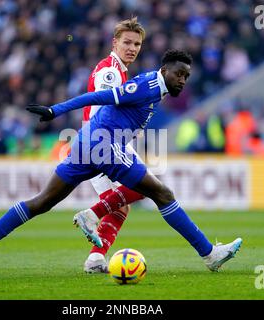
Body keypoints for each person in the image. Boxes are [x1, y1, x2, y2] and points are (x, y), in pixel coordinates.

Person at [0, 49, 242, 277]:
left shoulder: (155, 90)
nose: (182, 80)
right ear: (164, 70)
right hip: (105, 145)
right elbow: (101, 96)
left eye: (187, 76)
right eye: (179, 74)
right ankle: (209, 254)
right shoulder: (146, 86)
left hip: (87, 143)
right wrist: (55, 110)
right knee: (162, 193)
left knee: (43, 201)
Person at [79, 17, 147, 273]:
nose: (132, 48)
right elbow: (103, 107)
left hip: (101, 143)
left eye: (137, 44)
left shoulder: (118, 70)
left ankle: (95, 259)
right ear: (114, 43)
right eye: (127, 42)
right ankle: (91, 215)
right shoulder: (109, 71)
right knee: (145, 186)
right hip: (103, 144)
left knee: (121, 204)